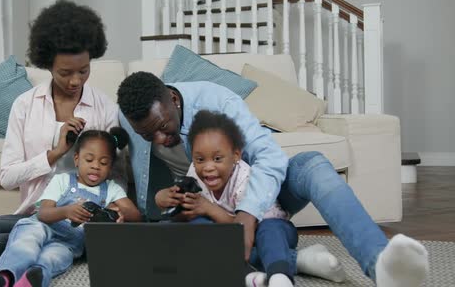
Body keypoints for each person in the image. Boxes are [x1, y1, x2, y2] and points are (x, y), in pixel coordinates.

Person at [116, 71, 429, 287]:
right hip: (206, 210)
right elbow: (147, 182)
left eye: (164, 127)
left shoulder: (218, 103)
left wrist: (248, 214)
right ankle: (298, 261)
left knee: (314, 164)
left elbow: (270, 156)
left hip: (261, 198)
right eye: (148, 135)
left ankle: (381, 266)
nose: (158, 139)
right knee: (176, 251)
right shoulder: (130, 117)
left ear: (173, 98)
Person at [0, 0, 125, 266]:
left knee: (109, 234)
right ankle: (63, 247)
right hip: (37, 215)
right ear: (47, 64)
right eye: (65, 73)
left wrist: (116, 209)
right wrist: (54, 154)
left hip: (86, 218)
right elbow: (7, 178)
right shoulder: (25, 105)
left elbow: (116, 175)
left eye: (84, 70)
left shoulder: (104, 107)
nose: (75, 81)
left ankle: (39, 248)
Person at [155, 110, 346, 287]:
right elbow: (188, 218)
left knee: (268, 230)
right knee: (198, 226)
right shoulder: (194, 175)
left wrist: (209, 208)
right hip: (231, 239)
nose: (207, 167)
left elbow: (245, 228)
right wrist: (168, 200)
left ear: (236, 155)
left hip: (270, 230)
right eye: (199, 159)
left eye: (217, 159)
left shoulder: (245, 178)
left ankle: (280, 276)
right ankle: (251, 275)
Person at [0, 128, 141, 287]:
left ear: (111, 166)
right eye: (89, 160)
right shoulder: (62, 180)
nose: (96, 166)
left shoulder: (112, 189)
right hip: (42, 226)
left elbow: (136, 216)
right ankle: (5, 276)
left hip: (69, 242)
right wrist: (66, 211)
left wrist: (120, 212)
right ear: (77, 159)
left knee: (54, 258)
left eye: (103, 162)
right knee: (27, 243)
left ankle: (32, 279)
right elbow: (43, 213)